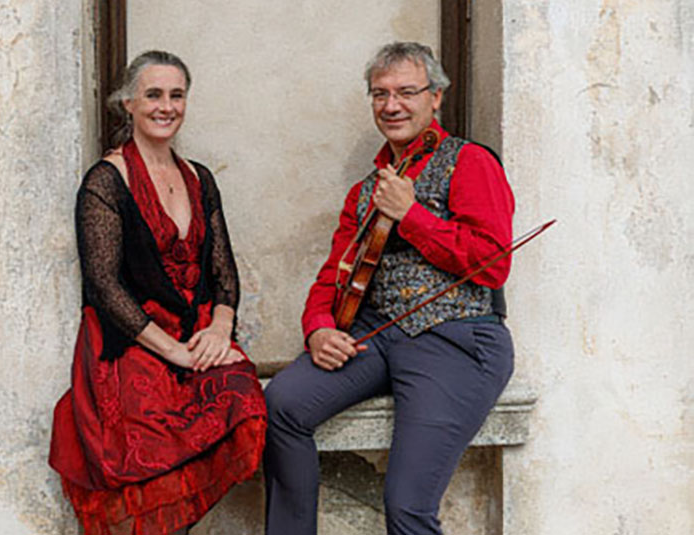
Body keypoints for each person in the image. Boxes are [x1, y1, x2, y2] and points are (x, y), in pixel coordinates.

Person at [263, 42, 515, 535]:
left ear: (435, 97)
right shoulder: (365, 191)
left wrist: (411, 215)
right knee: (282, 406)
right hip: (378, 334)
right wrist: (318, 329)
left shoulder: (470, 161)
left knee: (406, 503)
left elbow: (492, 264)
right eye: (380, 94)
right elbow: (333, 275)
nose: (391, 105)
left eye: (406, 92)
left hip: (456, 339)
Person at [49, 50, 267, 535]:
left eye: (176, 95)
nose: (166, 106)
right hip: (133, 343)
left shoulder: (200, 177)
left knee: (244, 399)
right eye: (153, 95)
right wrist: (174, 352)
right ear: (128, 103)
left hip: (197, 335)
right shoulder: (105, 181)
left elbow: (223, 270)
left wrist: (220, 329)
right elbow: (104, 286)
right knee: (149, 460)